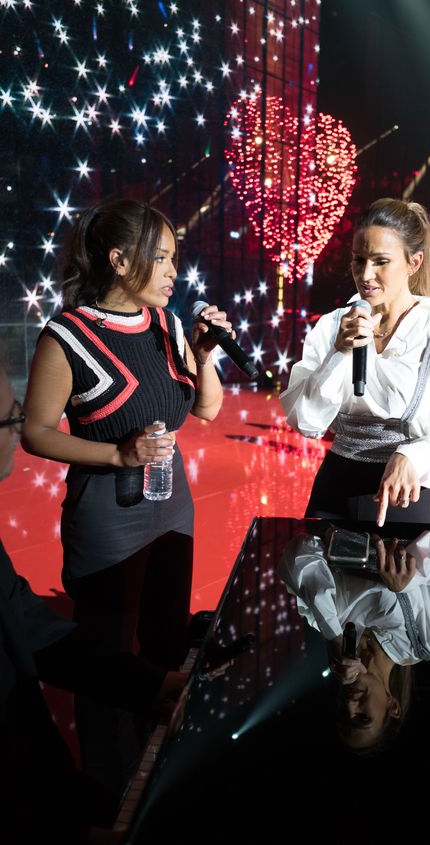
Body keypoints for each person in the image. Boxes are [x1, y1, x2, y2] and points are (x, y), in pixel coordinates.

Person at [21, 198, 231, 798]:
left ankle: (156, 778)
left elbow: (207, 409)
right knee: (107, 660)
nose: (172, 272)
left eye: (173, 259)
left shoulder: (165, 325)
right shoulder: (67, 335)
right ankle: (109, 794)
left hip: (173, 510)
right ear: (118, 261)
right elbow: (36, 432)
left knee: (166, 646)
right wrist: (119, 455)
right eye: (159, 258)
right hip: (107, 520)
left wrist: (206, 354)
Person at [0, 351, 187, 843]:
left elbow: (37, 631)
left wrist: (154, 685)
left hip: (45, 786)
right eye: (10, 417)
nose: (18, 428)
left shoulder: (166, 330)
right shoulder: (68, 337)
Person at [280, 197, 430, 525]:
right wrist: (338, 354)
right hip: (335, 488)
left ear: (413, 262)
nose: (365, 275)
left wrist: (413, 456)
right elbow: (306, 421)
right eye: (358, 259)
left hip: (407, 492)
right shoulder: (333, 325)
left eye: (380, 261)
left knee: (401, 575)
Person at [277, 524, 430, 752]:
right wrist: (410, 581)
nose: (351, 706)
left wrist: (333, 636)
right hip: (409, 508)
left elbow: (300, 551)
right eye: (363, 718)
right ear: (392, 706)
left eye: (343, 713)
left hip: (343, 505)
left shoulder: (328, 625)